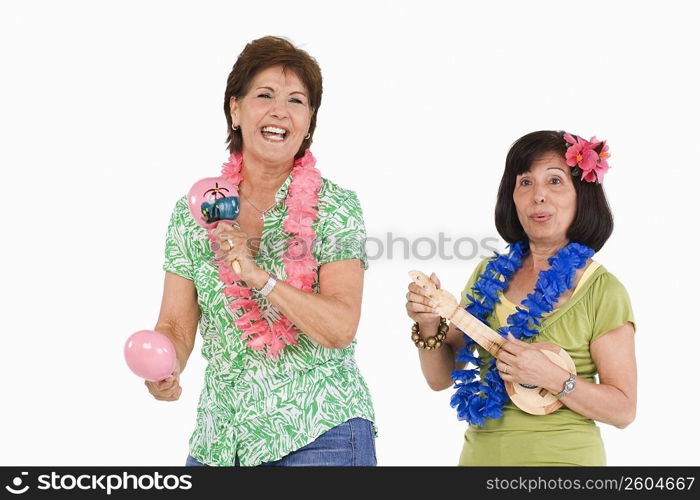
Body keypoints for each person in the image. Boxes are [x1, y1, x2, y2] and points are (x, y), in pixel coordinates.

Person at [146, 36, 376, 467]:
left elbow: (339, 327)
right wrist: (166, 367)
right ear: (235, 109)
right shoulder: (191, 212)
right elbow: (175, 324)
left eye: (296, 101)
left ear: (308, 122)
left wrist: (260, 277)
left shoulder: (336, 206)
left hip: (319, 435)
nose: (279, 111)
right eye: (264, 95)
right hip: (219, 441)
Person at [405, 130, 636, 466]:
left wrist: (555, 379)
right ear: (511, 197)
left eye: (554, 181)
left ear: (580, 196)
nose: (538, 196)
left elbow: (624, 410)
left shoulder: (603, 290)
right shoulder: (491, 274)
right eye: (525, 182)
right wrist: (428, 324)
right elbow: (440, 379)